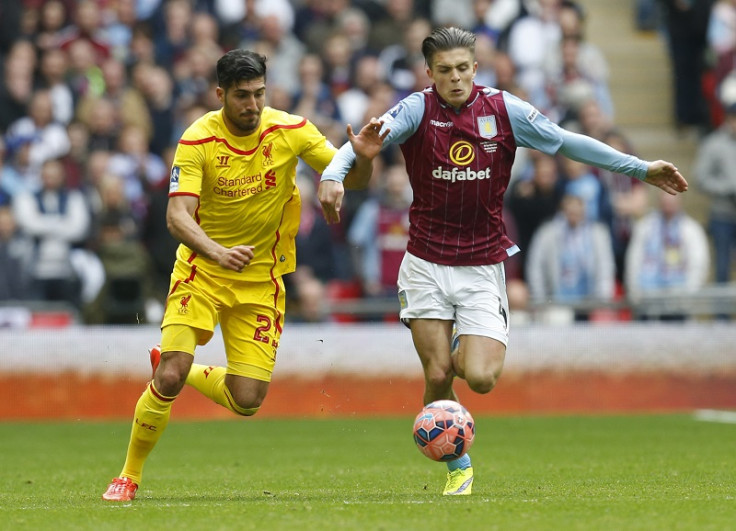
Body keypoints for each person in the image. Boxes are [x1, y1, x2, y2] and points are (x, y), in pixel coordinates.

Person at [317, 26, 688, 496]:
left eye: (463, 69)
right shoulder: (415, 109)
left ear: (476, 67)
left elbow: (567, 141)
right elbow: (363, 143)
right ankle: (458, 466)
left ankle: (460, 354)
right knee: (435, 373)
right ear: (429, 73)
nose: (455, 78)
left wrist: (639, 168)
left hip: (481, 264)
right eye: (445, 71)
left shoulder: (505, 109)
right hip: (425, 260)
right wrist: (333, 173)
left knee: (482, 377)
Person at [101, 49, 386, 502]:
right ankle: (128, 476)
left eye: (258, 94)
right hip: (202, 271)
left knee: (247, 399)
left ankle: (187, 370)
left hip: (262, 281)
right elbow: (177, 216)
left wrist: (365, 159)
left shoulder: (291, 130)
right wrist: (216, 252)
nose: (252, 105)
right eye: (241, 96)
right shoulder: (197, 140)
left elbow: (350, 179)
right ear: (220, 94)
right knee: (169, 376)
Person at [624, 191, 710, 320]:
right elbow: (634, 261)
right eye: (665, 197)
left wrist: (689, 294)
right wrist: (635, 292)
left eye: (672, 198)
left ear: (680, 200)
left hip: (678, 301)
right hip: (647, 300)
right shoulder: (645, 227)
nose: (668, 202)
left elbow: (699, 264)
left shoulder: (690, 229)